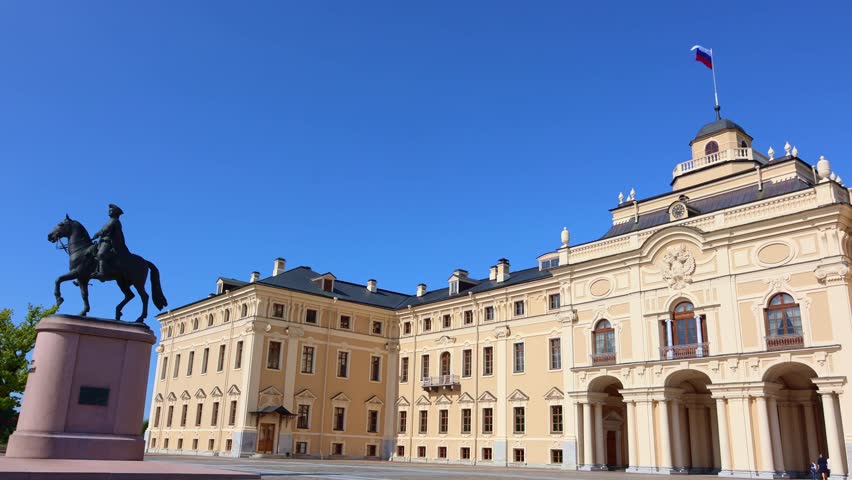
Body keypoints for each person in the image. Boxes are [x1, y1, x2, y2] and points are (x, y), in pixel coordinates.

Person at [91, 204, 128, 281]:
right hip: (102, 241)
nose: (109, 211)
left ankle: (102, 273)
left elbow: (106, 230)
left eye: (111, 210)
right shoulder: (110, 221)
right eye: (109, 210)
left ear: (115, 212)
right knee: (91, 252)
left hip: (109, 242)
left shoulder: (114, 221)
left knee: (101, 254)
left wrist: (97, 234)